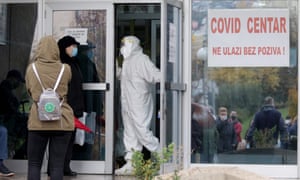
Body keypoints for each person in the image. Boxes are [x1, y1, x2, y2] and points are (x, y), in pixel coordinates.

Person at [25, 35, 74, 180]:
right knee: (57, 166)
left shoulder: (31, 69)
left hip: (37, 122)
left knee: (34, 164)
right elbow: (68, 88)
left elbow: (29, 90)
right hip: (62, 121)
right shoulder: (65, 69)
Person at [115, 35, 161, 175]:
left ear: (132, 45)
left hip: (139, 102)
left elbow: (156, 76)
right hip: (128, 102)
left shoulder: (142, 59)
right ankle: (132, 163)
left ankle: (161, 155)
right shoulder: (127, 62)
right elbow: (122, 77)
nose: (122, 48)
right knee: (129, 132)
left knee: (141, 130)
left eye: (125, 45)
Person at [56, 35, 85, 176]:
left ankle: (65, 167)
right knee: (62, 140)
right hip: (65, 108)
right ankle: (56, 168)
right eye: (72, 46)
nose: (75, 49)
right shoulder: (61, 64)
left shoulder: (74, 62)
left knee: (70, 139)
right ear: (64, 48)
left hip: (74, 108)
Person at [0, 69, 24, 176]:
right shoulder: (4, 90)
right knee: (4, 132)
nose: (19, 84)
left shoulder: (7, 90)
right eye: (18, 81)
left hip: (6, 121)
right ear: (12, 79)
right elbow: (8, 108)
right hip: (5, 121)